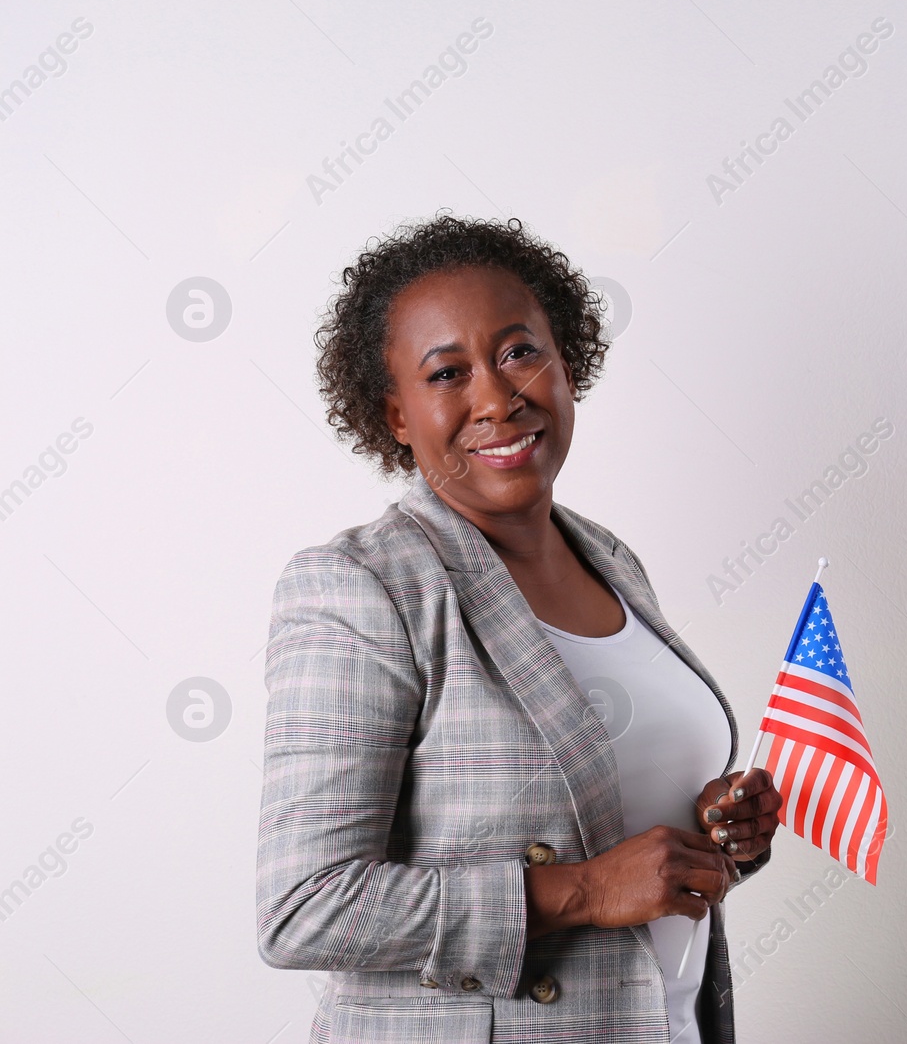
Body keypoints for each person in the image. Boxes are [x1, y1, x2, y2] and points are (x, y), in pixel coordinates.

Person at [254, 213, 781, 1043]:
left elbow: (621, 826)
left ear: (566, 362)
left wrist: (720, 834)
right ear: (394, 414)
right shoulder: (363, 587)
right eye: (447, 373)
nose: (498, 398)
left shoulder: (610, 558)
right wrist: (581, 891)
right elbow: (303, 907)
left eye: (518, 352)